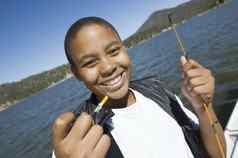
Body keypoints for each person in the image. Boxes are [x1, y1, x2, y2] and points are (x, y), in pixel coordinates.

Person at [52, 17, 226, 158]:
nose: (108, 67)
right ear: (76, 73)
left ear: (124, 49)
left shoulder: (158, 89)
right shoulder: (74, 140)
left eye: (113, 51)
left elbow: (219, 154)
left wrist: (203, 107)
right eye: (90, 62)